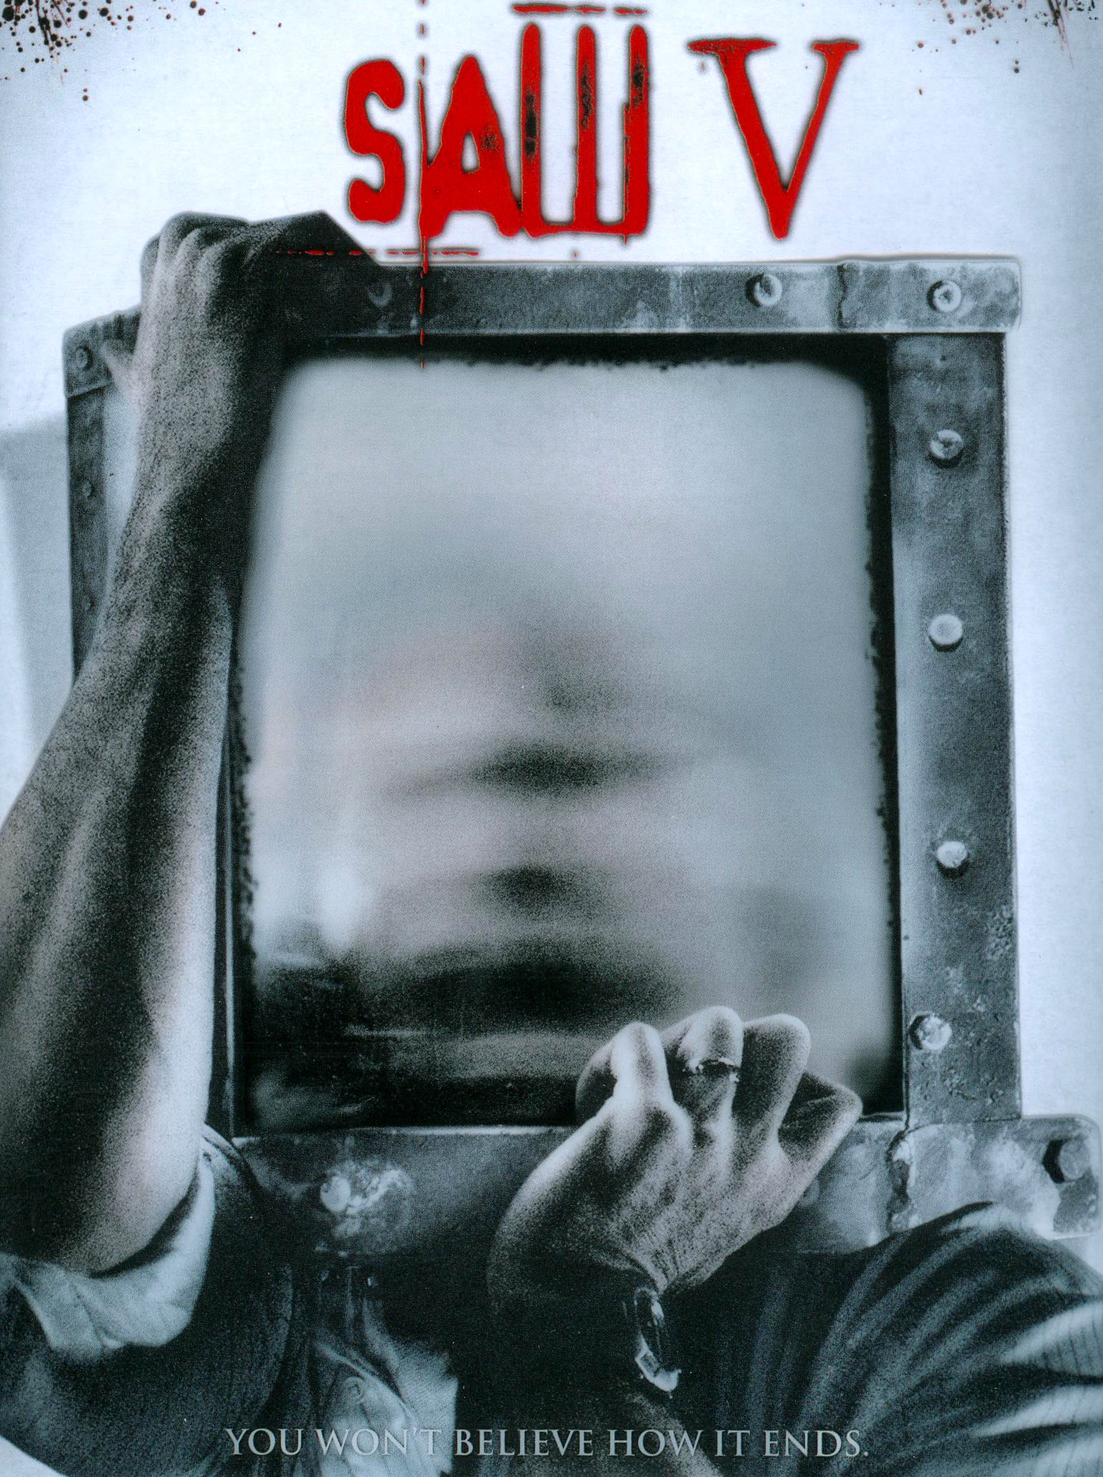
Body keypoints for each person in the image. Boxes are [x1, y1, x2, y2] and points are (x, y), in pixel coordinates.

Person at [0, 214, 1101, 1477]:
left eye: (589, 765)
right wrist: (188, 493)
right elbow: (45, 1191)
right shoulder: (260, 1282)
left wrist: (576, 1308)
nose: (517, 851)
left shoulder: (968, 1327)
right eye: (447, 784)